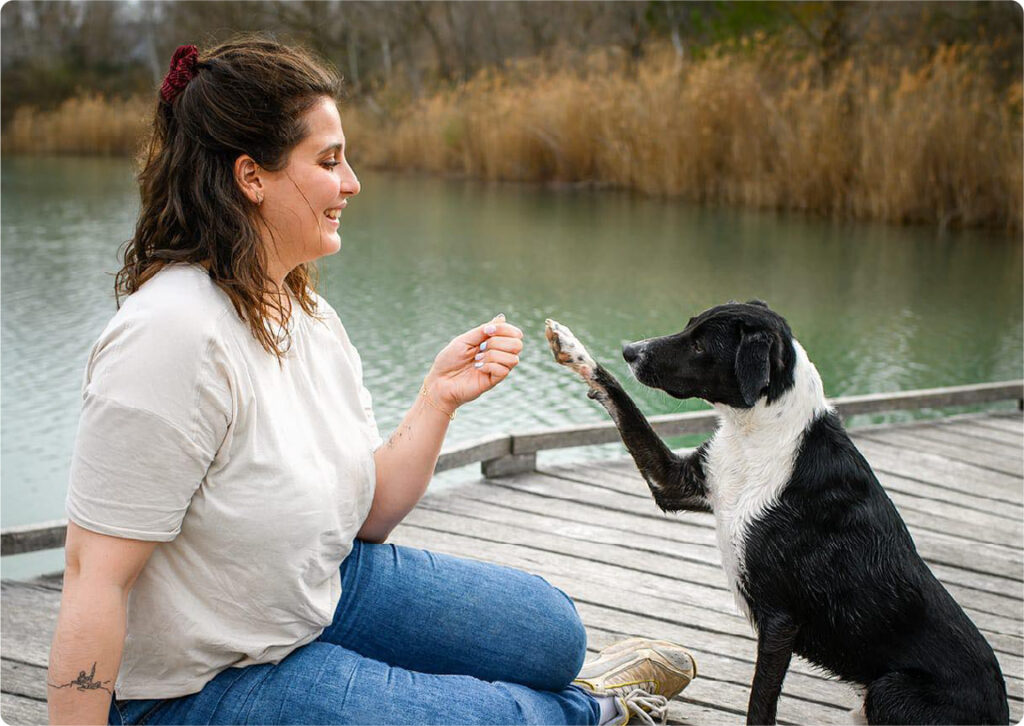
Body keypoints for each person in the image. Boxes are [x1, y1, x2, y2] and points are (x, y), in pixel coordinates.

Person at [46, 36, 696, 726]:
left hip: (317, 592)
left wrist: (438, 398)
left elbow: (368, 516)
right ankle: (590, 714)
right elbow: (94, 579)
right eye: (329, 161)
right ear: (251, 176)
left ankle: (560, 697)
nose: (352, 182)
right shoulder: (170, 335)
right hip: (200, 682)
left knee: (552, 634)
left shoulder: (303, 309)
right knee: (484, 720)